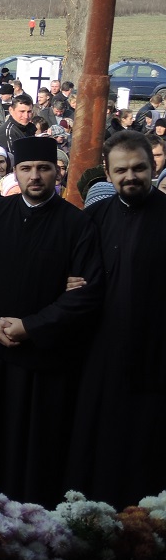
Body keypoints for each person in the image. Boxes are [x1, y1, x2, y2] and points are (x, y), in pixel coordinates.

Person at [0, 135, 104, 506]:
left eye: (44, 169)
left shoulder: (77, 225)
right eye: (27, 168)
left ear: (57, 173)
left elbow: (86, 292)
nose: (35, 176)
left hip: (42, 360)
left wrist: (32, 325)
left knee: (35, 448)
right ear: (15, 172)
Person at [68, 132, 166, 506]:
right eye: (121, 170)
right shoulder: (91, 219)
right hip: (97, 358)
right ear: (107, 174)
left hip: (153, 358)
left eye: (139, 168)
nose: (131, 176)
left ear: (154, 167)